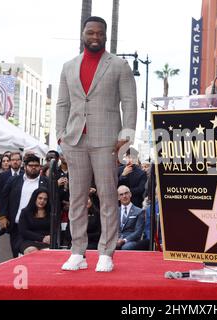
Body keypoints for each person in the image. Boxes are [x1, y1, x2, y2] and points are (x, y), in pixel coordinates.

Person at [56, 16, 137, 272]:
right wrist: (60, 135)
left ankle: (106, 252)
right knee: (76, 198)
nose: (94, 37)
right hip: (75, 139)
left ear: (105, 36)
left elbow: (129, 102)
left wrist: (126, 136)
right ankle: (77, 251)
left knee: (107, 195)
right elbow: (62, 104)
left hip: (107, 141)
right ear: (82, 34)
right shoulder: (68, 66)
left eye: (99, 33)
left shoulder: (119, 65)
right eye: (90, 32)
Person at [0, 154, 48, 257]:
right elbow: (3, 197)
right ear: (25, 167)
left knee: (36, 256)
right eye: (31, 165)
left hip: (37, 226)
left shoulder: (46, 182)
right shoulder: (14, 180)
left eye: (36, 165)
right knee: (16, 255)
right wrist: (3, 216)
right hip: (16, 225)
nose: (33, 167)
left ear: (40, 167)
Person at [18, 188, 51, 255]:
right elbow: (23, 231)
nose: (42, 201)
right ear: (35, 198)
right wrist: (42, 238)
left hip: (48, 241)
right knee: (32, 251)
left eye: (45, 199)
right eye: (40, 198)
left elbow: (56, 229)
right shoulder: (25, 212)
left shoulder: (51, 213)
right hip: (29, 241)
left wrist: (50, 237)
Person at [116, 185, 145, 250]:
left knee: (126, 247)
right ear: (118, 197)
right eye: (121, 194)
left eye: (126, 193)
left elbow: (138, 232)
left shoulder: (139, 211)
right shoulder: (115, 211)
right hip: (116, 239)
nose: (124, 196)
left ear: (130, 194)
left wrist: (124, 240)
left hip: (131, 240)